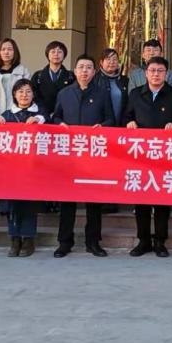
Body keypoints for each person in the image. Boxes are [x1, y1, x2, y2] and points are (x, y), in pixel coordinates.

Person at [52, 54, 117, 258]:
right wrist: (59, 124)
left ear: (94, 71)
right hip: (70, 155)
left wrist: (102, 126)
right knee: (67, 200)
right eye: (81, 67)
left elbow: (111, 119)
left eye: (89, 67)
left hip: (93, 154)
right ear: (75, 71)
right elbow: (55, 117)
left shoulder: (102, 93)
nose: (84, 71)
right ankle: (64, 242)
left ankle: (93, 242)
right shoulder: (64, 93)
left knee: (93, 200)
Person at [125, 55, 172, 258]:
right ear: (146, 73)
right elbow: (126, 116)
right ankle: (143, 240)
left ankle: (160, 241)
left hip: (164, 155)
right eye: (152, 70)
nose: (156, 74)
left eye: (160, 71)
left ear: (166, 74)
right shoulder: (136, 94)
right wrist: (129, 123)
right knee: (141, 199)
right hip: (141, 154)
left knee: (162, 199)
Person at [0, 79, 48, 258]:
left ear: (33, 94)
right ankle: (14, 240)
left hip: (33, 170)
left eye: (28, 91)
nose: (24, 95)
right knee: (12, 206)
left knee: (29, 206)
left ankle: (28, 240)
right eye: (20, 91)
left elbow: (47, 121)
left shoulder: (40, 113)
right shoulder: (7, 115)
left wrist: (38, 119)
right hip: (11, 170)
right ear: (14, 95)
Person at [29, 40, 74, 120]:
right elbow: (33, 96)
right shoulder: (38, 76)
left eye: (59, 52)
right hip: (42, 116)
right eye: (53, 52)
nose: (56, 54)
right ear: (47, 54)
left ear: (64, 55)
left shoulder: (71, 76)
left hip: (64, 116)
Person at [94, 47, 128, 125]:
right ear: (101, 62)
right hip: (101, 125)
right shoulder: (95, 80)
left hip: (122, 125)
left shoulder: (125, 80)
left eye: (114, 59)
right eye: (108, 59)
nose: (112, 62)